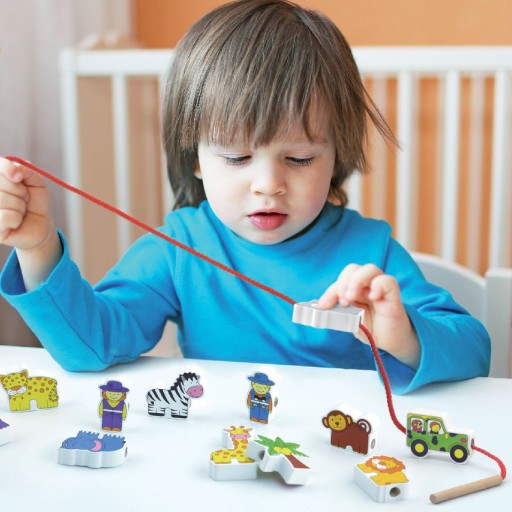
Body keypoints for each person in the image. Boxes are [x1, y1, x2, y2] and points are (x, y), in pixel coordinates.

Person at [0, 0, 489, 394]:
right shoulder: (179, 248)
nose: (268, 184)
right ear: (194, 158)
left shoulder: (369, 252)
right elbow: (92, 345)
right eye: (236, 157)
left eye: (299, 158)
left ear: (336, 155)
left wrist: (403, 336)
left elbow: (474, 351)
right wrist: (37, 249)